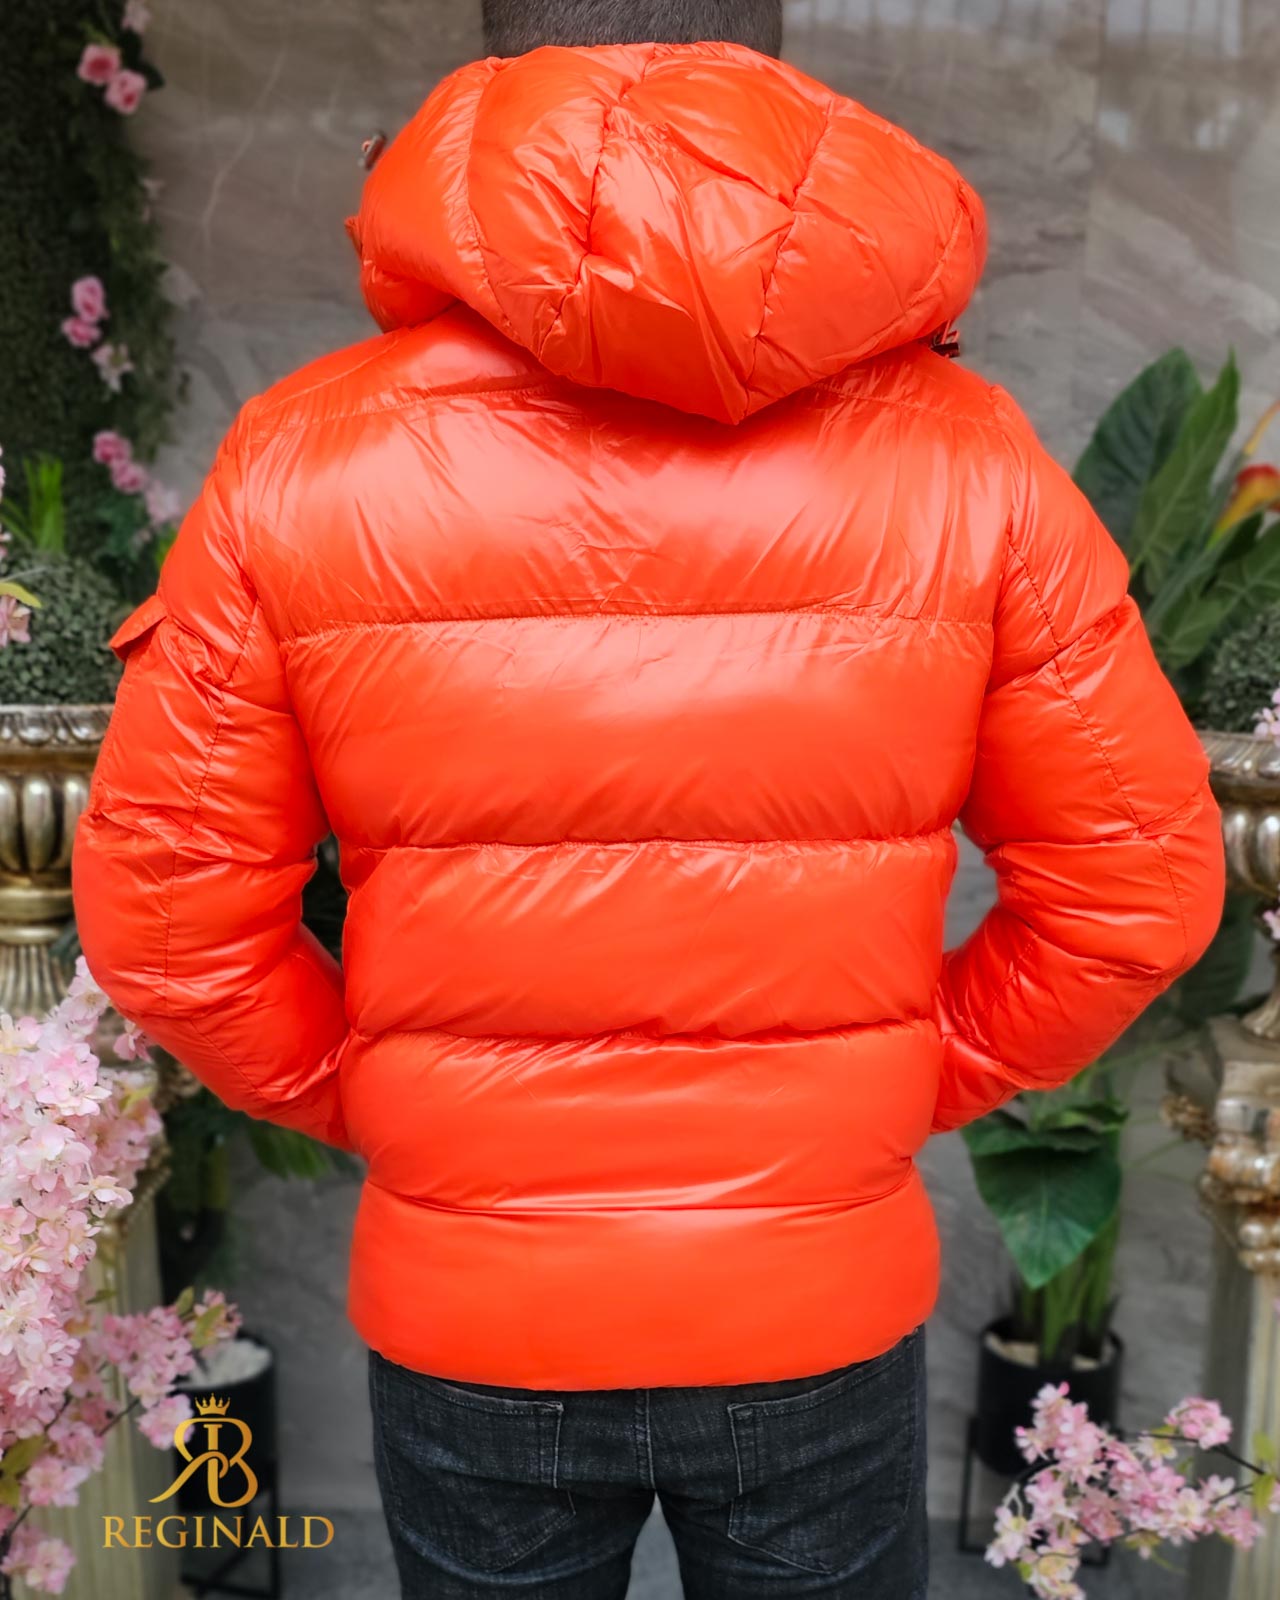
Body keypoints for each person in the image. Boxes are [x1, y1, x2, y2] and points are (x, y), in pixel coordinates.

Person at [72, 0, 1224, 1594]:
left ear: (487, 81)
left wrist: (388, 1094)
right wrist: (899, 1081)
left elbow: (167, 923)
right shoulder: (969, 460)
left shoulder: (302, 457)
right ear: (776, 80)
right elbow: (1138, 881)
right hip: (815, 1298)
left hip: (476, 1304)